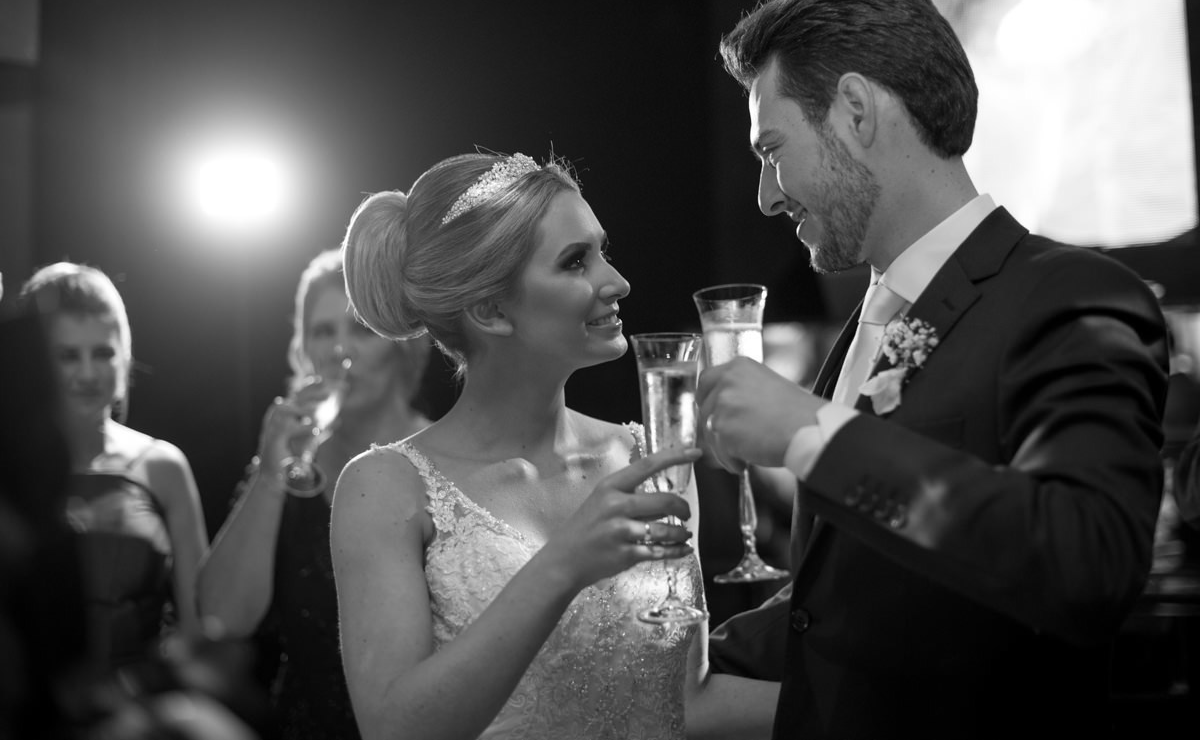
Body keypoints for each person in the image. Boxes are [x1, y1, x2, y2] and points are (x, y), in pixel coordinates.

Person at [696, 0, 1169, 739]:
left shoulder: (1073, 294)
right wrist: (662, 661)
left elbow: (1088, 562)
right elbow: (840, 606)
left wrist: (815, 436)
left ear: (854, 110)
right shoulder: (861, 331)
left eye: (772, 148)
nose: (766, 194)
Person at [333, 151, 779, 740]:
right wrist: (562, 564)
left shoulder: (649, 463)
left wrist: (898, 712)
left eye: (602, 251)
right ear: (490, 310)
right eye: (575, 262)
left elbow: (684, 701)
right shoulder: (385, 488)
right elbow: (394, 729)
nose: (616, 282)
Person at [196, 247, 434, 740]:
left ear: (402, 344)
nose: (339, 349)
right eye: (323, 331)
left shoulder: (442, 459)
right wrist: (268, 471)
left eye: (361, 330)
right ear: (304, 347)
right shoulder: (286, 469)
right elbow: (221, 617)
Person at [16, 262, 211, 673]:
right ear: (35, 365)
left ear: (123, 357)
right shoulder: (9, 473)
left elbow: (200, 631)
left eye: (102, 352)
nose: (88, 373)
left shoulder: (163, 467)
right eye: (68, 356)